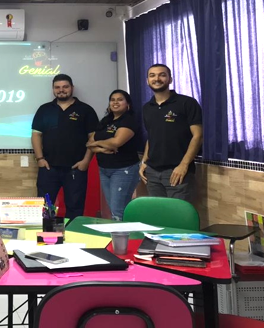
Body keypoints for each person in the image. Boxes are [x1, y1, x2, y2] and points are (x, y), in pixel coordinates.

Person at [31, 74, 98, 219]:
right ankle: (46, 232)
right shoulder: (44, 109)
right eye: (57, 87)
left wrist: (86, 161)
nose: (61, 90)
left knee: (75, 207)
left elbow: (93, 138)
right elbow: (36, 135)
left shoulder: (85, 110)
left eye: (65, 87)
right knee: (45, 208)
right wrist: (40, 159)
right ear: (53, 89)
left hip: (75, 168)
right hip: (48, 168)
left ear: (72, 88)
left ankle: (72, 233)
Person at [139, 64, 203, 201]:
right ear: (147, 81)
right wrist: (144, 162)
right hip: (152, 173)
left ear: (170, 79)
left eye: (162, 75)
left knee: (177, 213)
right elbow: (151, 137)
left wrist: (184, 165)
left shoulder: (187, 103)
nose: (157, 78)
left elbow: (198, 136)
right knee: (158, 213)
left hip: (177, 171)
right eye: (152, 75)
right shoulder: (147, 108)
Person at [86, 90, 141, 220]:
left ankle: (125, 233)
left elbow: (116, 142)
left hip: (123, 169)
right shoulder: (106, 121)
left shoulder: (129, 121)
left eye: (120, 99)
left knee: (118, 210)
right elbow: (89, 144)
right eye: (112, 100)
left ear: (128, 104)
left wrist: (98, 143)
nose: (115, 102)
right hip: (104, 169)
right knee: (113, 208)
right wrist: (102, 149)